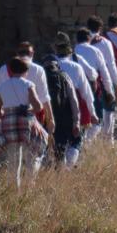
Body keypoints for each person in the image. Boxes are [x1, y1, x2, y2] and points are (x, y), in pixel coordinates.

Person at [0, 53, 50, 187]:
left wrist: (6, 117)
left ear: (10, 70)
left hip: (8, 123)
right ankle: (30, 185)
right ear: (25, 71)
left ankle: (13, 190)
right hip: (26, 122)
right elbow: (38, 106)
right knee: (32, 155)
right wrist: (29, 111)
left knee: (13, 161)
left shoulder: (1, 87)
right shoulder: (29, 84)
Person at [38, 35, 82, 166]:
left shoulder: (41, 78)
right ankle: (65, 168)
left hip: (46, 117)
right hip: (65, 117)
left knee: (46, 145)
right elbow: (74, 100)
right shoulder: (64, 76)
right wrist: (76, 121)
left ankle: (46, 167)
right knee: (71, 143)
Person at [0, 41, 55, 130]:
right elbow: (44, 98)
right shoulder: (38, 70)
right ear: (32, 53)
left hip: (8, 119)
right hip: (31, 118)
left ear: (17, 53)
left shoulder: (3, 69)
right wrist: (51, 119)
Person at [75, 26, 117, 142]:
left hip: (74, 89)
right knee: (97, 118)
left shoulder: (73, 51)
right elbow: (104, 73)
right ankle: (87, 142)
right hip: (92, 86)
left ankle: (81, 142)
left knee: (78, 118)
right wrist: (109, 91)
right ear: (89, 38)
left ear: (76, 39)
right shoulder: (95, 51)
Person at [85, 17, 117, 140]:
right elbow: (111, 64)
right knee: (109, 109)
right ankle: (108, 139)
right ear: (100, 28)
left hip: (85, 81)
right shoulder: (105, 43)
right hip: (102, 79)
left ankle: (88, 139)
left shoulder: (81, 43)